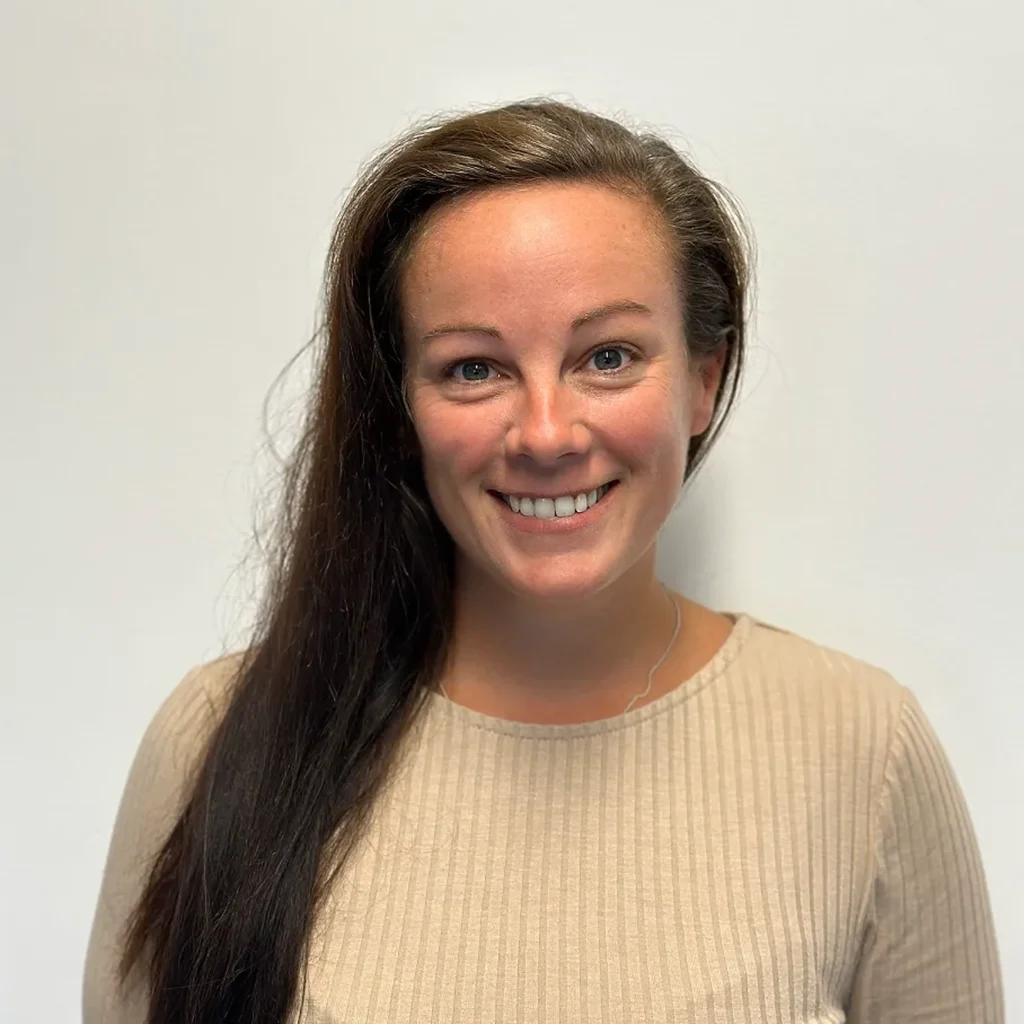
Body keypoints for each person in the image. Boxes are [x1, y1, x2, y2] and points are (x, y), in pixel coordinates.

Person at [83, 98, 1003, 1024]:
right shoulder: (215, 741)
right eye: (473, 368)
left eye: (607, 355)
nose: (547, 433)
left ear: (703, 377)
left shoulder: (862, 748)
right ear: (401, 405)